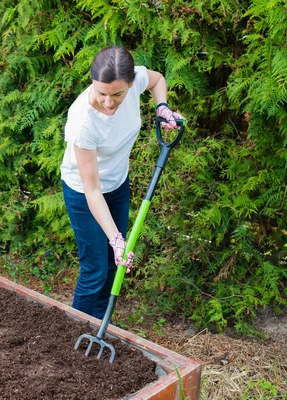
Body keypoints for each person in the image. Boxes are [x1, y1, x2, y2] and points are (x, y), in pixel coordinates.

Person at [60, 45, 183, 320]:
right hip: (84, 193)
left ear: (129, 84)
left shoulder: (136, 79)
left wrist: (162, 107)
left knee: (113, 267)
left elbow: (157, 79)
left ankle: (102, 326)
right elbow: (92, 190)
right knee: (95, 269)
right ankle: (75, 331)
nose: (108, 102)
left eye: (117, 94)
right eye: (101, 93)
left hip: (117, 185)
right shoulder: (82, 122)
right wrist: (116, 238)